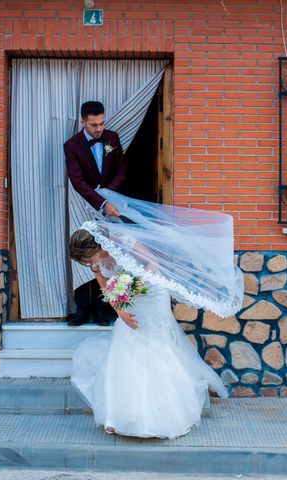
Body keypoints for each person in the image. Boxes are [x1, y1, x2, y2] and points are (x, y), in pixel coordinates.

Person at [68, 189, 244, 439]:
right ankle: (120, 415)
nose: (91, 263)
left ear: (97, 245)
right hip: (128, 297)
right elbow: (104, 283)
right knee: (127, 341)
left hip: (151, 291)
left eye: (90, 258)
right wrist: (120, 311)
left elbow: (152, 264)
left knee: (155, 344)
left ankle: (164, 415)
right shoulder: (97, 260)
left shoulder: (122, 240)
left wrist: (127, 286)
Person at [64, 101, 127, 326]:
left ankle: (104, 309)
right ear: (83, 122)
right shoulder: (71, 145)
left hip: (110, 206)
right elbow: (77, 180)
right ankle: (82, 309)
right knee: (84, 257)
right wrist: (99, 200)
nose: (99, 129)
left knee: (107, 256)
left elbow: (121, 168)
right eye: (94, 125)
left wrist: (109, 195)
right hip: (83, 204)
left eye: (101, 123)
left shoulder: (113, 138)